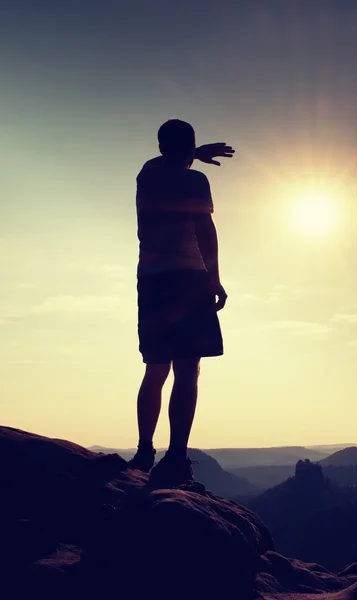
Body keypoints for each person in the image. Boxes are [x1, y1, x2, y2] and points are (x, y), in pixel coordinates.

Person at [129, 119, 234, 487]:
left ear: (160, 147)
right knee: (187, 370)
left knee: (155, 368)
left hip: (153, 280)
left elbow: (166, 160)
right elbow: (205, 230)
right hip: (189, 278)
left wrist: (193, 152)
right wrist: (214, 278)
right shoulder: (194, 181)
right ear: (190, 149)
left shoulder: (147, 175)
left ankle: (144, 451)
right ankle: (175, 458)